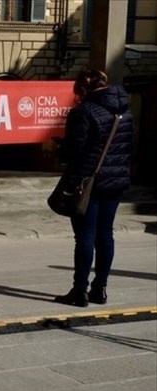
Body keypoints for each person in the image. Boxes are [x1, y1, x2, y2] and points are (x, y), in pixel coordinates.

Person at [54, 67, 134, 307]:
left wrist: (61, 148)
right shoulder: (126, 111)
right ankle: (100, 288)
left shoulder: (84, 112)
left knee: (85, 236)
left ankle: (79, 291)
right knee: (106, 235)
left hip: (88, 181)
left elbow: (74, 152)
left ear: (83, 88)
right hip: (116, 180)